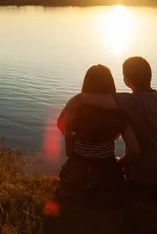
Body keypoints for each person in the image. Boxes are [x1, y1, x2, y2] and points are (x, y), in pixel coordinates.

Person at [60, 56, 157, 204]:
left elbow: (81, 99)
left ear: (126, 81)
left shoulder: (128, 102)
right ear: (149, 76)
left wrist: (64, 117)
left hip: (142, 178)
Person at [56, 64, 140, 201]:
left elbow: (61, 126)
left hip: (75, 179)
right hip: (108, 179)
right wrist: (119, 164)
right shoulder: (119, 113)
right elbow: (135, 149)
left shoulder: (76, 109)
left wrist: (73, 138)